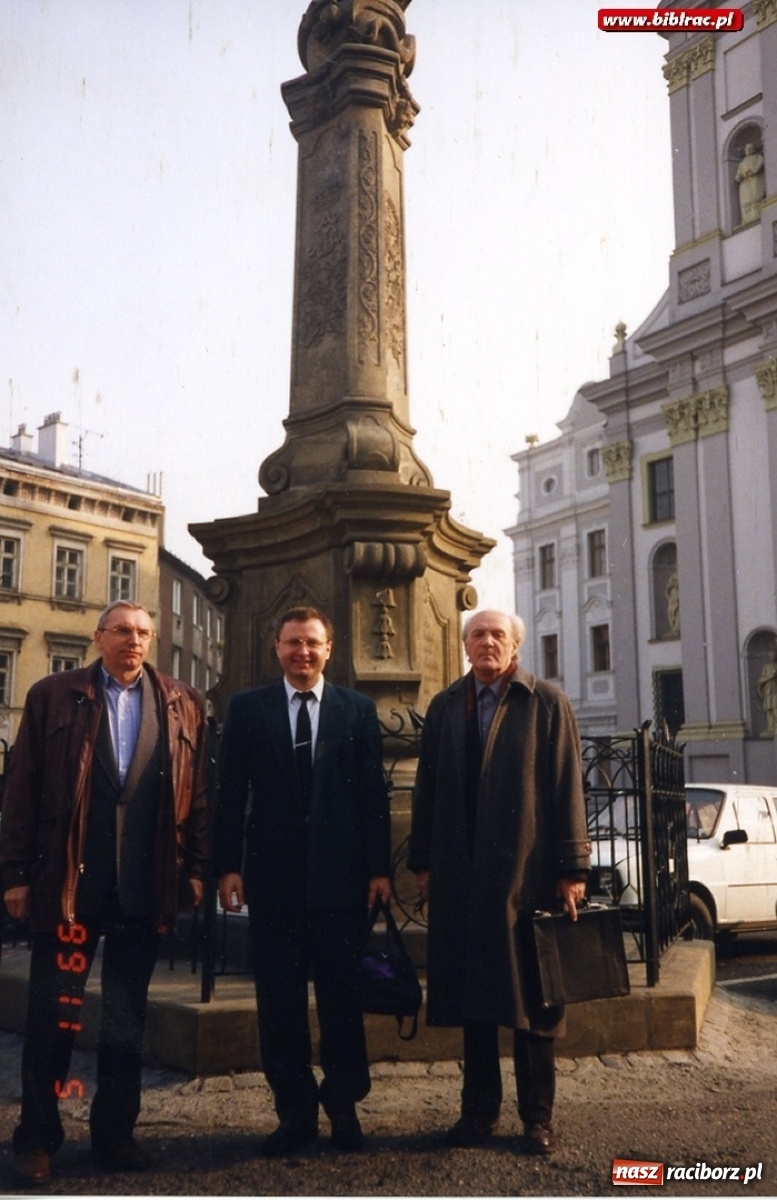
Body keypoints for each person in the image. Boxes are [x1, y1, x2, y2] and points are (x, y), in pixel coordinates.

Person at [0, 601, 209, 1185]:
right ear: (99, 637)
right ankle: (37, 1139)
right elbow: (21, 790)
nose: (133, 641)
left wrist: (195, 868)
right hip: (71, 885)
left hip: (142, 888)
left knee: (125, 1018)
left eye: (143, 632)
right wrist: (14, 875)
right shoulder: (53, 696)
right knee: (53, 1016)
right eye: (122, 631)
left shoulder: (180, 702)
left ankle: (115, 1134)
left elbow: (199, 797)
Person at [408, 609, 591, 1155]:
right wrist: (423, 862)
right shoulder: (445, 706)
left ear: (515, 646)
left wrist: (571, 869)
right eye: (477, 635)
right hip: (463, 878)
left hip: (525, 876)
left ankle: (537, 1119)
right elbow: (427, 790)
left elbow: (566, 787)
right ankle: (478, 1113)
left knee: (535, 1004)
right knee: (475, 1002)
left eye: (497, 635)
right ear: (465, 645)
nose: (486, 643)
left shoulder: (545, 702)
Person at [215, 605, 391, 1157]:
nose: (303, 652)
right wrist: (227, 865)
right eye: (293, 643)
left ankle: (343, 1106)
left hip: (341, 884)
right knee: (280, 1004)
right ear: (277, 647)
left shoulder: (356, 710)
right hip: (274, 883)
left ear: (328, 649)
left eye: (312, 643)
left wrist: (380, 869)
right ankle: (294, 1113)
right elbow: (228, 794)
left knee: (341, 1000)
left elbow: (372, 797)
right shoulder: (248, 709)